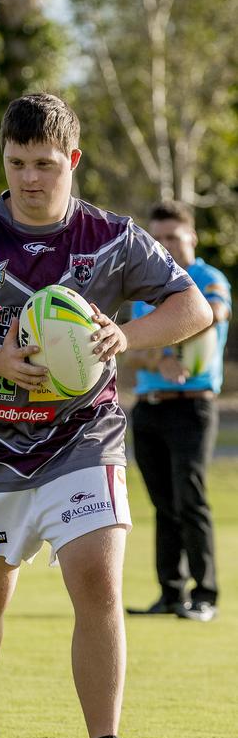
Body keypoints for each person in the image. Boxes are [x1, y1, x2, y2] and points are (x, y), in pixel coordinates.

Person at [0, 93, 212, 738]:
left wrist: (125, 336)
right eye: (16, 163)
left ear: (72, 160)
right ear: (3, 159)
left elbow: (189, 306)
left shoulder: (112, 238)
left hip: (82, 438)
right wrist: (0, 363)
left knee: (97, 581)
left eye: (45, 163)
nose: (30, 178)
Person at [125, 201, 231, 622]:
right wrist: (159, 360)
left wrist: (166, 346)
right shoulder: (145, 287)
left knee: (191, 499)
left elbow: (214, 312)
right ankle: (170, 592)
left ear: (193, 237)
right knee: (163, 503)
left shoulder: (208, 278)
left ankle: (205, 595)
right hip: (149, 410)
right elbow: (131, 350)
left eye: (172, 236)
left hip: (193, 408)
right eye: (157, 238)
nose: (164, 245)